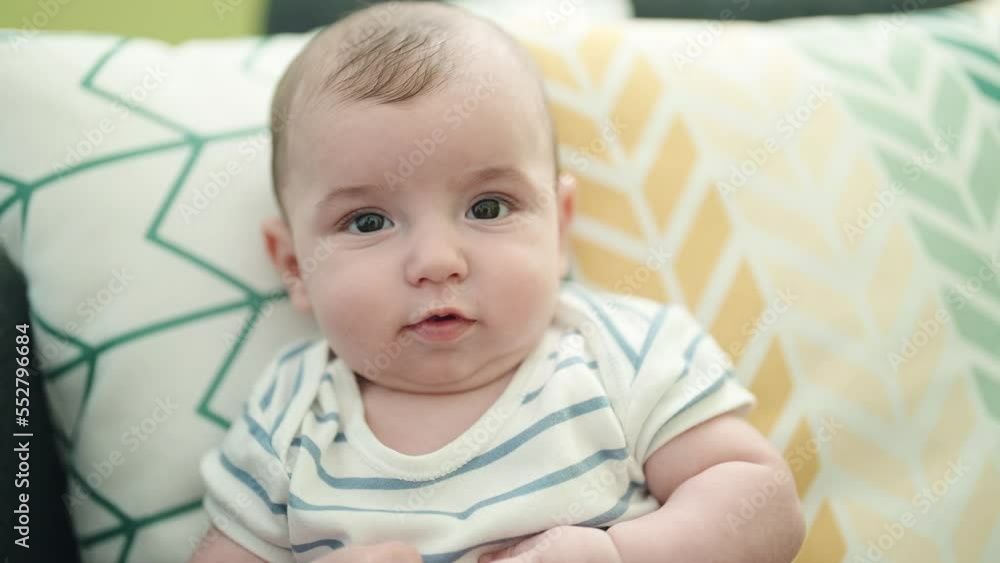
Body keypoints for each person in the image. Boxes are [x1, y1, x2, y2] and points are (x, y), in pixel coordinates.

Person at [190, 2, 805, 562]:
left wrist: (618, 554)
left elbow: (764, 505)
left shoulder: (621, 352)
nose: (437, 260)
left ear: (560, 230)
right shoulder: (289, 413)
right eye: (369, 220)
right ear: (295, 265)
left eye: (488, 208)